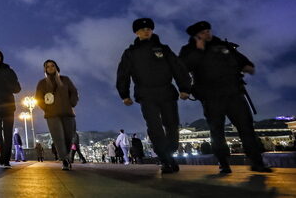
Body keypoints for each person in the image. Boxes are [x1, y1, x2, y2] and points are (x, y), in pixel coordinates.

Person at [179, 21, 272, 173]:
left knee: (246, 128)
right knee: (217, 131)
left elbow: (241, 60)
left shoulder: (223, 45)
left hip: (234, 93)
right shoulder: (189, 50)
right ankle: (223, 162)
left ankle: (257, 161)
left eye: (208, 31)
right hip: (211, 96)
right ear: (196, 36)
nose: (207, 34)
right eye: (203, 33)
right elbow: (182, 68)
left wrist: (247, 66)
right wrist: (198, 52)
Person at [116, 18, 191, 173]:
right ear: (136, 32)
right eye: (142, 29)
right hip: (146, 94)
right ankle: (165, 159)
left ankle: (169, 153)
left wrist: (184, 88)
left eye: (149, 28)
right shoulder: (131, 53)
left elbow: (178, 68)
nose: (146, 31)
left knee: (172, 125)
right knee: (154, 128)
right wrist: (124, 94)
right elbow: (123, 74)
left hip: (167, 92)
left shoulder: (164, 49)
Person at [35, 59, 79, 171]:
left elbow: (74, 92)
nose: (50, 68)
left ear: (56, 67)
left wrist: (72, 103)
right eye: (47, 66)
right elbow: (38, 98)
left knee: (69, 137)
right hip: (52, 115)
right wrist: (46, 108)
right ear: (45, 69)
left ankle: (67, 156)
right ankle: (64, 160)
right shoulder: (42, 83)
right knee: (58, 137)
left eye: (52, 66)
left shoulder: (65, 80)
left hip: (67, 113)